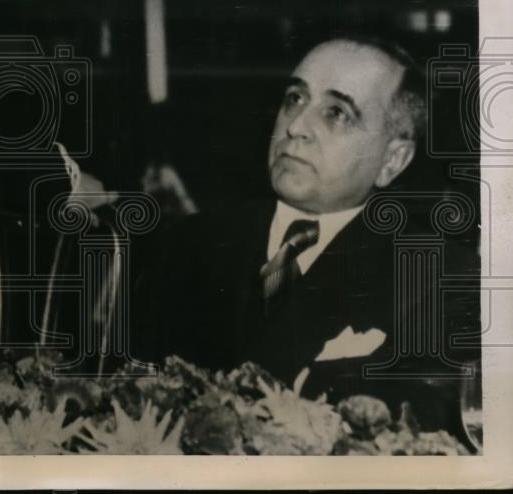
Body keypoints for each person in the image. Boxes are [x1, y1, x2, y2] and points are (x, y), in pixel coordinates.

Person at [133, 35, 480, 434]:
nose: (295, 126)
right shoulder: (186, 245)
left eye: (336, 113)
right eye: (295, 99)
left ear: (392, 160)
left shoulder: (439, 279)